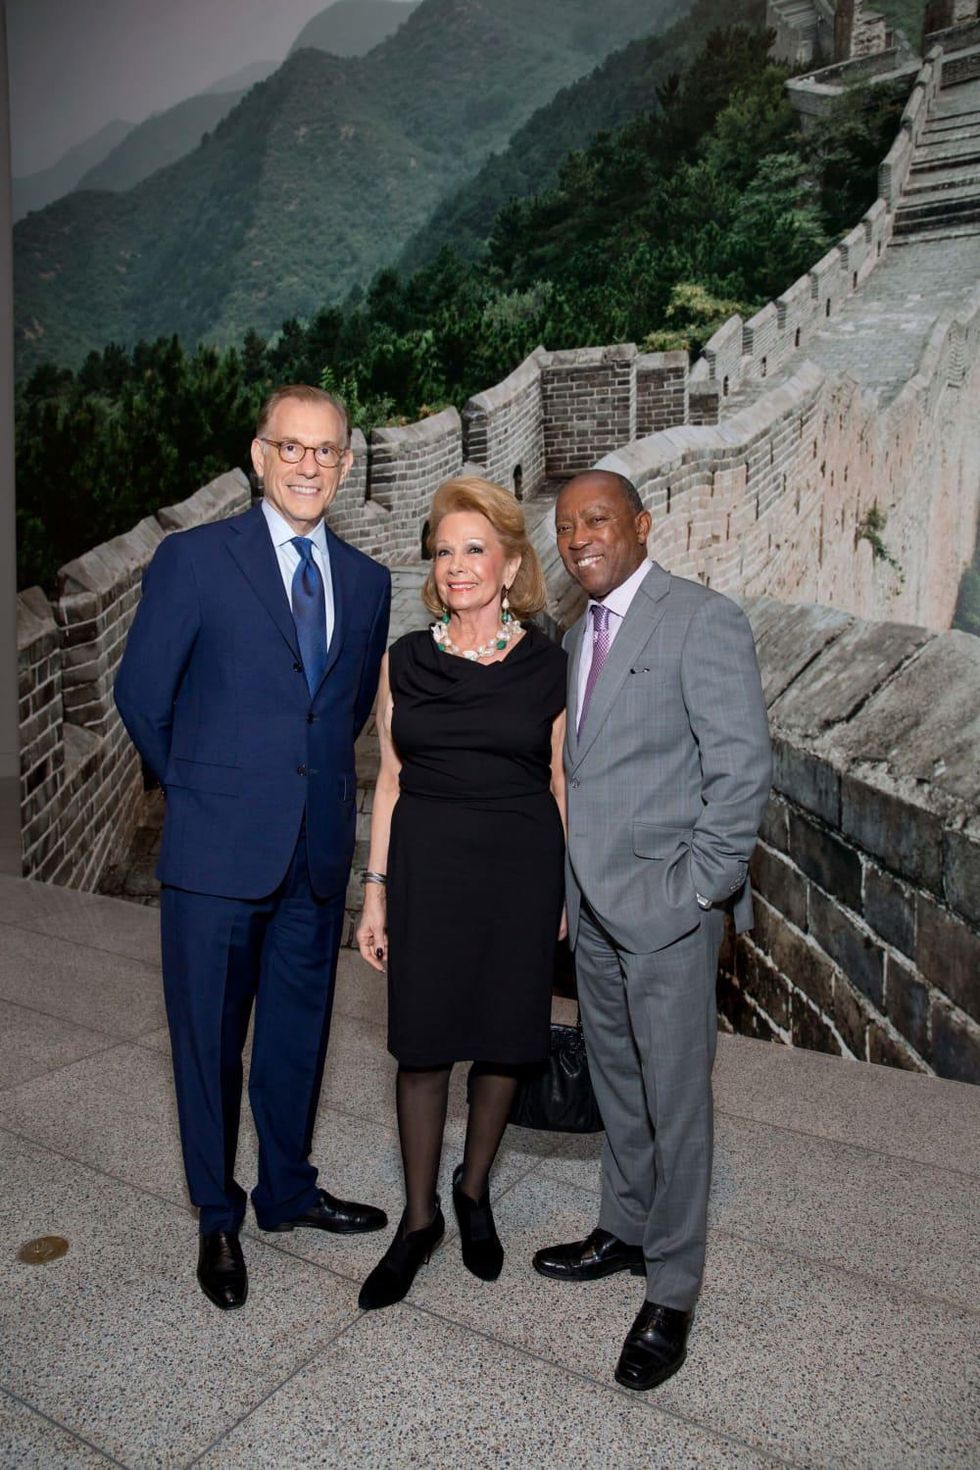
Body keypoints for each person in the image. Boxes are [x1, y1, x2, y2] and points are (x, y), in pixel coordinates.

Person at [115, 384, 391, 1311]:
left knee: (295, 1039)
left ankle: (287, 1190)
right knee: (206, 1044)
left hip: (311, 854)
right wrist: (199, 794)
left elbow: (339, 714)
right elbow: (142, 696)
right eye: (293, 447)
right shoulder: (195, 560)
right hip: (214, 855)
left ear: (345, 466)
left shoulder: (366, 582)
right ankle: (216, 1215)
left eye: (328, 452)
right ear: (259, 456)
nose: (310, 465)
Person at [533, 469, 771, 1391]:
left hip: (669, 912)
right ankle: (624, 1229)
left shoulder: (701, 619)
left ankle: (672, 1287)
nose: (579, 538)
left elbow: (740, 769)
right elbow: (582, 772)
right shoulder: (570, 635)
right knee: (618, 1079)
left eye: (596, 520)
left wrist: (697, 896)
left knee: (677, 1100)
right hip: (592, 906)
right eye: (564, 527)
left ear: (640, 524)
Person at [355, 475, 567, 1310]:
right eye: (444, 551)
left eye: (475, 548)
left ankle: (473, 1190)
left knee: (506, 1041)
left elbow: (559, 781)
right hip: (427, 870)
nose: (458, 565)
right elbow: (392, 781)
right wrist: (374, 893)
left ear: (511, 563)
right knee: (422, 1042)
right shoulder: (403, 661)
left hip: (520, 868)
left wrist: (564, 891)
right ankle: (418, 1221)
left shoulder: (550, 665)